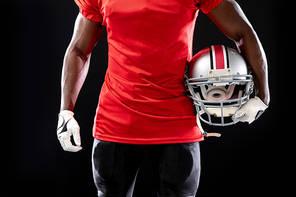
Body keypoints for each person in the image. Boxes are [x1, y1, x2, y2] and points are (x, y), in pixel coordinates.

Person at [56, 0, 270, 196]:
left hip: (176, 119)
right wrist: (66, 112)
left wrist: (263, 96)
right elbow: (79, 50)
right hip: (117, 118)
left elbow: (243, 32)